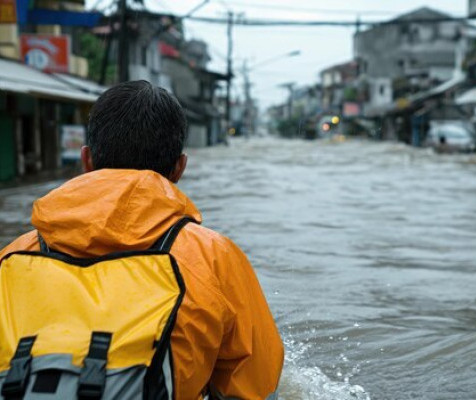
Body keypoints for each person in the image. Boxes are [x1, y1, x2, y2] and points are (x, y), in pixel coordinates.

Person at [0, 80, 284, 399]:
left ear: (87, 161)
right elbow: (255, 387)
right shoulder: (214, 257)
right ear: (179, 168)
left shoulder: (13, 256)